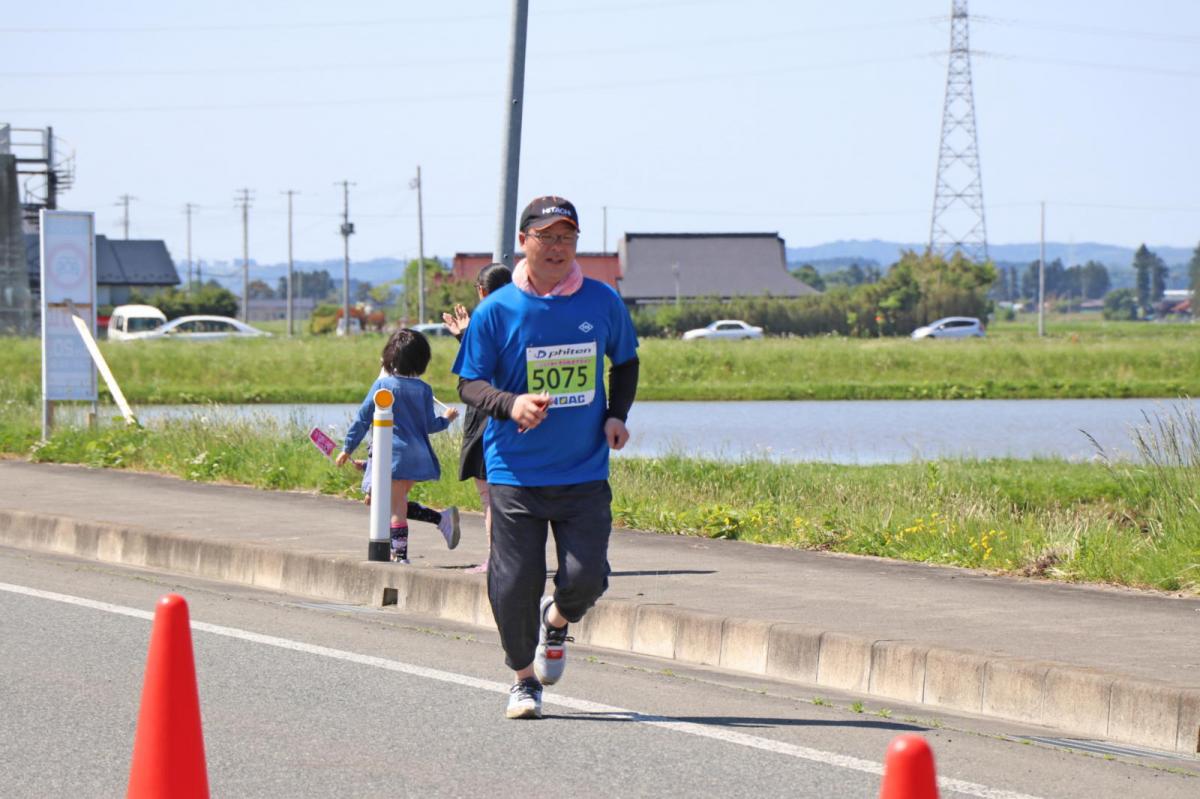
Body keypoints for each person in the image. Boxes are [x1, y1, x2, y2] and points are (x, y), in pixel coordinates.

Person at [453, 196, 639, 719]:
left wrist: (616, 414)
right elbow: (469, 385)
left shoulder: (601, 301)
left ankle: (556, 623)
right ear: (523, 241)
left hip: (583, 468)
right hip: (515, 471)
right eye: (546, 237)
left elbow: (625, 362)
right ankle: (523, 679)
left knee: (587, 578)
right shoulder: (497, 310)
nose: (557, 248)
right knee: (514, 583)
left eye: (567, 237)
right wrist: (510, 404)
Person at [336, 328, 460, 563]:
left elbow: (363, 418)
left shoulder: (383, 385)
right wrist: (447, 419)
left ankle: (401, 554)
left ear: (390, 356)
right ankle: (441, 520)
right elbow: (429, 425)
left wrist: (347, 448)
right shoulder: (424, 389)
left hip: (393, 457)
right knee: (389, 501)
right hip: (417, 457)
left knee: (394, 507)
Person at [441, 262, 513, 574]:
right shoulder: (522, 318)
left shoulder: (484, 322)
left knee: (489, 495)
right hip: (517, 417)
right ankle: (514, 558)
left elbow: (475, 374)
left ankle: (498, 560)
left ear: (481, 291)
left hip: (486, 419)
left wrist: (467, 335)